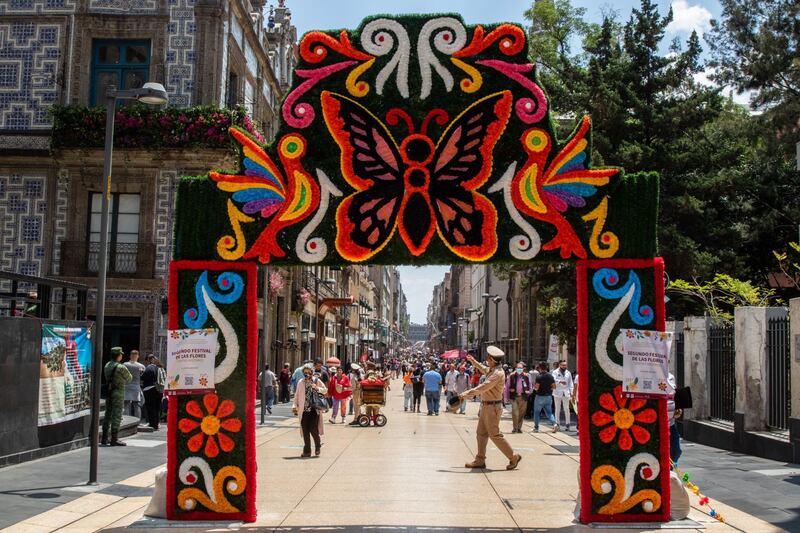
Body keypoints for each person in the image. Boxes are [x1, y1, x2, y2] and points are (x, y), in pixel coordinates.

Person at [459, 347, 522, 470]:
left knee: (494, 434)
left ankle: (513, 457)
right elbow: (484, 369)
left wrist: (466, 394)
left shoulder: (497, 374)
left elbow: (483, 387)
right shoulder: (493, 370)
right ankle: (480, 460)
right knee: (481, 434)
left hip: (492, 407)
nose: (487, 360)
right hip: (486, 405)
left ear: (492, 360)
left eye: (488, 358)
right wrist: (474, 361)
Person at [292, 364, 327, 457]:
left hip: (314, 410)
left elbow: (325, 390)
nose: (307, 374)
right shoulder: (300, 382)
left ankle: (317, 446)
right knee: (305, 431)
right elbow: (296, 395)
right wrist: (294, 405)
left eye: (308, 372)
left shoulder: (316, 380)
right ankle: (307, 451)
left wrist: (317, 388)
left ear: (312, 372)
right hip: (303, 411)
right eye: (305, 372)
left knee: (313, 429)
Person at [102, 347, 132, 446]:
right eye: (121, 354)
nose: (122, 356)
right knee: (117, 415)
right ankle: (114, 438)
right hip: (118, 392)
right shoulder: (121, 367)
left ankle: (104, 437)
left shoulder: (107, 365)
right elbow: (129, 378)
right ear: (118, 355)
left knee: (108, 414)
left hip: (109, 392)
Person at [504, 361, 532, 433]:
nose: (519, 369)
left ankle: (519, 428)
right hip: (514, 397)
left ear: (523, 368)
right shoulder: (511, 375)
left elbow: (530, 386)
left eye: (521, 368)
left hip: (523, 397)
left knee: (521, 413)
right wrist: (506, 397)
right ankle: (515, 428)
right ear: (516, 368)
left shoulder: (527, 375)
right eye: (518, 368)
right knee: (515, 412)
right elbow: (507, 387)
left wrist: (528, 393)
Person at [532, 362, 558, 432]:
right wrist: (549, 389)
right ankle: (554, 424)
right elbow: (554, 387)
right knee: (549, 413)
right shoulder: (550, 376)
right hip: (548, 397)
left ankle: (536, 427)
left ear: (539, 368)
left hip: (539, 397)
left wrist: (534, 388)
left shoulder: (539, 376)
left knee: (537, 412)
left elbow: (537, 387)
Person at [141, 355, 163, 430]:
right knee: (157, 408)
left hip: (149, 389)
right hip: (159, 389)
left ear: (148, 360)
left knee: (150, 408)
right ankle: (156, 424)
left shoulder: (149, 367)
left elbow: (144, 377)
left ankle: (152, 424)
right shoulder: (160, 368)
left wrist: (141, 373)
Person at [123, 349, 145, 421]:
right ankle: (137, 421)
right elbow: (143, 376)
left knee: (126, 404)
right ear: (137, 356)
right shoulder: (141, 366)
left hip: (126, 386)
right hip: (136, 387)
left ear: (130, 356)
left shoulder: (125, 364)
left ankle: (126, 420)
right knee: (136, 405)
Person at [553, 359, 574, 431]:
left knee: (567, 408)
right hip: (557, 392)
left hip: (566, 392)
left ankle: (567, 424)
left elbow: (571, 383)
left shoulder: (568, 372)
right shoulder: (555, 372)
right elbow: (553, 380)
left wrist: (571, 392)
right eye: (563, 365)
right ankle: (557, 423)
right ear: (559, 365)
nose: (564, 366)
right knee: (557, 408)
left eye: (565, 365)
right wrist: (560, 381)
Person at [667, 372, 683, 466]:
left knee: (676, 450)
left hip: (671, 422)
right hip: (659, 422)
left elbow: (674, 395)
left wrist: (678, 408)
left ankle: (671, 467)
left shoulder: (671, 377)